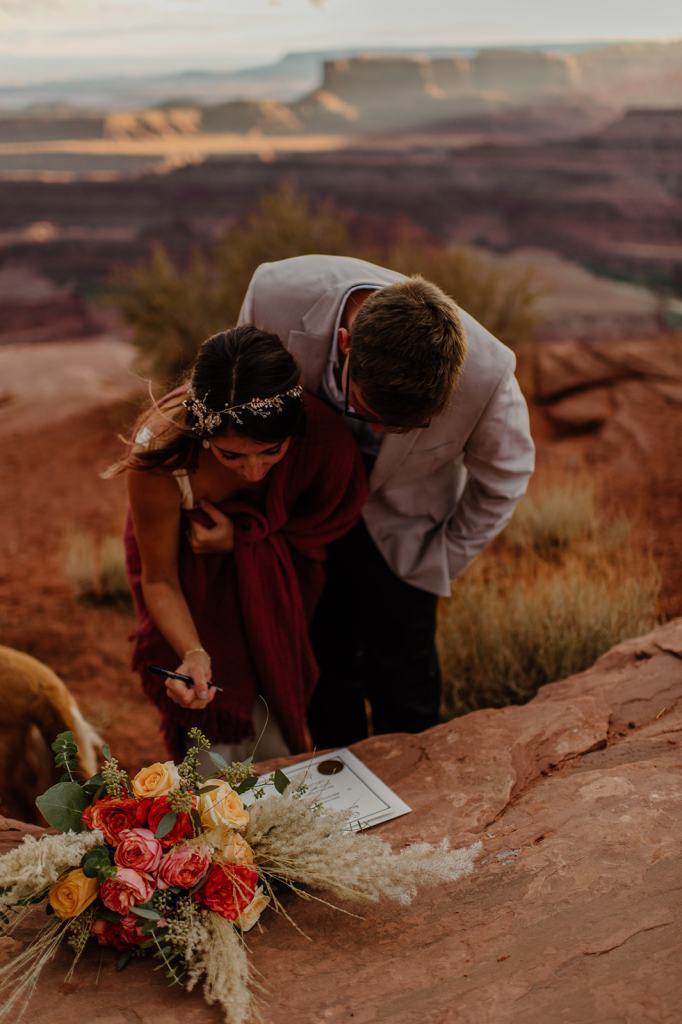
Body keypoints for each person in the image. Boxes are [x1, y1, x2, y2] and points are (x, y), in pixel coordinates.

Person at [238, 254, 535, 747]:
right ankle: (339, 800)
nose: (377, 431)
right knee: (322, 665)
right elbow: (243, 408)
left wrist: (443, 558)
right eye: (368, 412)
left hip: (406, 536)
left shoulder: (488, 371)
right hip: (306, 522)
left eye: (403, 426)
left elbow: (506, 476)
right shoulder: (276, 294)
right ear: (344, 344)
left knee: (406, 679)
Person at [108, 325, 366, 761]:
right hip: (200, 604)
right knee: (216, 747)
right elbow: (159, 579)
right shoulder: (160, 456)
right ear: (202, 431)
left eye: (271, 452)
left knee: (284, 736)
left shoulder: (323, 441)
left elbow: (325, 530)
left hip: (286, 605)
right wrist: (192, 653)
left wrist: (242, 540)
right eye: (231, 455)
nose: (253, 473)